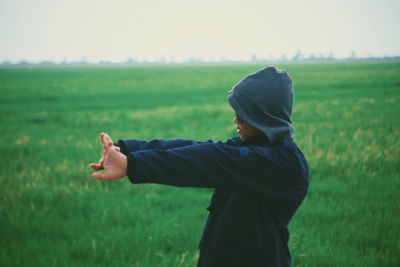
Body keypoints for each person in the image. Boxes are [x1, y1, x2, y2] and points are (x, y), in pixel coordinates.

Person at [89, 66, 309, 267]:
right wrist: (125, 150)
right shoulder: (254, 147)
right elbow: (196, 147)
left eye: (243, 116)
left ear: (263, 117)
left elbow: (210, 159)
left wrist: (133, 165)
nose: (236, 121)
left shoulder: (282, 163)